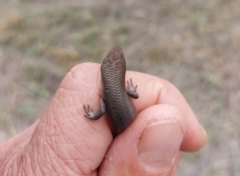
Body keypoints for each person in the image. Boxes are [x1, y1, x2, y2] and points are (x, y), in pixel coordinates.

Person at [0, 63, 206, 176]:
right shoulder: (110, 97)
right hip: (127, 129)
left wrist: (94, 115)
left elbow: (103, 110)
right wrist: (129, 92)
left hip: (125, 129)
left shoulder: (106, 98)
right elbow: (128, 98)